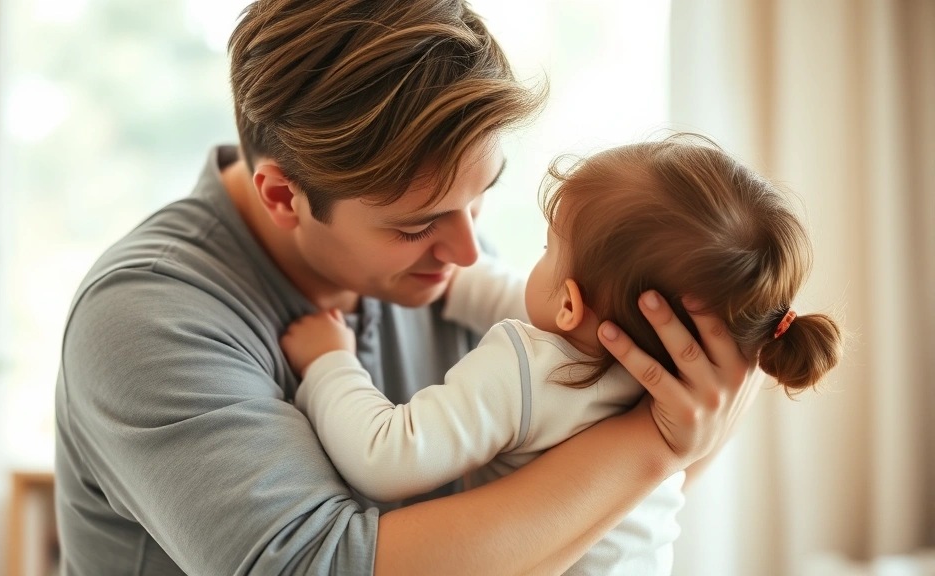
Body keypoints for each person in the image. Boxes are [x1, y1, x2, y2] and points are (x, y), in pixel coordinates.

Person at [54, 2, 760, 574]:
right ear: (281, 196)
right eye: (416, 225)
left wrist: (684, 414)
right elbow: (319, 566)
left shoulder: (445, 259)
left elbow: (576, 522)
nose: (465, 250)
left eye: (480, 197)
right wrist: (656, 445)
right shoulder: (150, 315)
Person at [280, 136, 844, 575]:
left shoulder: (525, 367)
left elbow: (388, 455)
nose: (533, 260)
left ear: (572, 303)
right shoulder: (670, 382)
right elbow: (546, 307)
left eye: (548, 249)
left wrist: (330, 361)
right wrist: (453, 284)